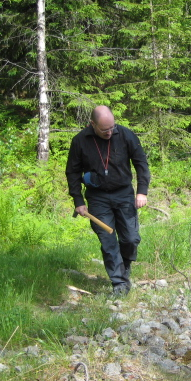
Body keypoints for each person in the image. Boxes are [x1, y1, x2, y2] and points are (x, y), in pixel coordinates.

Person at [66, 106, 151, 295]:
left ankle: (125, 266)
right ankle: (119, 283)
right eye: (105, 130)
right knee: (108, 241)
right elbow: (72, 171)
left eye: (112, 128)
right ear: (92, 125)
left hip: (124, 194)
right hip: (97, 198)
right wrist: (78, 200)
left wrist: (142, 192)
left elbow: (141, 163)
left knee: (130, 238)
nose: (110, 132)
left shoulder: (126, 135)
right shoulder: (80, 141)